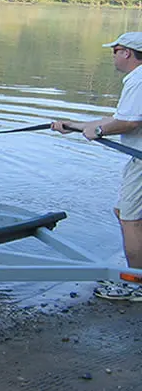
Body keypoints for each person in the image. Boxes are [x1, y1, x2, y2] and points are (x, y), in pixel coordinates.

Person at [51, 32, 142, 300]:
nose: (112, 55)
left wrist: (99, 131)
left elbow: (130, 123)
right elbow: (122, 117)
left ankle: (135, 284)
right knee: (124, 212)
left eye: (114, 50)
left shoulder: (138, 80)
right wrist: (76, 126)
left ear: (126, 52)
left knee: (130, 220)